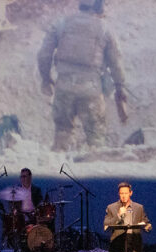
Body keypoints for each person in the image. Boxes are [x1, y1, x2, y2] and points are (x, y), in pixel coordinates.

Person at [37, 0, 127, 151]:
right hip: (91, 91)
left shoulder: (61, 24)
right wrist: (120, 87)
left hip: (64, 89)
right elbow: (116, 63)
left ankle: (59, 168)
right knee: (96, 138)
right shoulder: (104, 29)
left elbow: (43, 55)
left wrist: (46, 79)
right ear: (98, 6)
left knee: (62, 134)